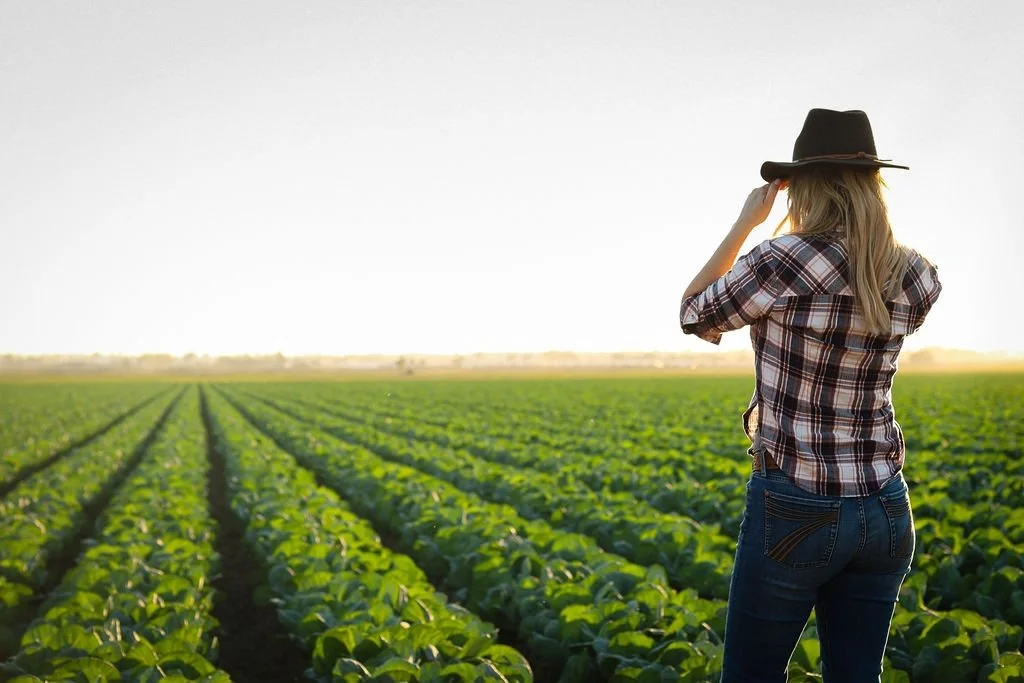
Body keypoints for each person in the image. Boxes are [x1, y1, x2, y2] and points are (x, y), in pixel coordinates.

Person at [678, 108, 942, 683]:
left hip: (797, 501)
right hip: (886, 506)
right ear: (874, 184)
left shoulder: (782, 259)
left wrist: (746, 223)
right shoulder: (917, 274)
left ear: (803, 185)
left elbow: (696, 314)